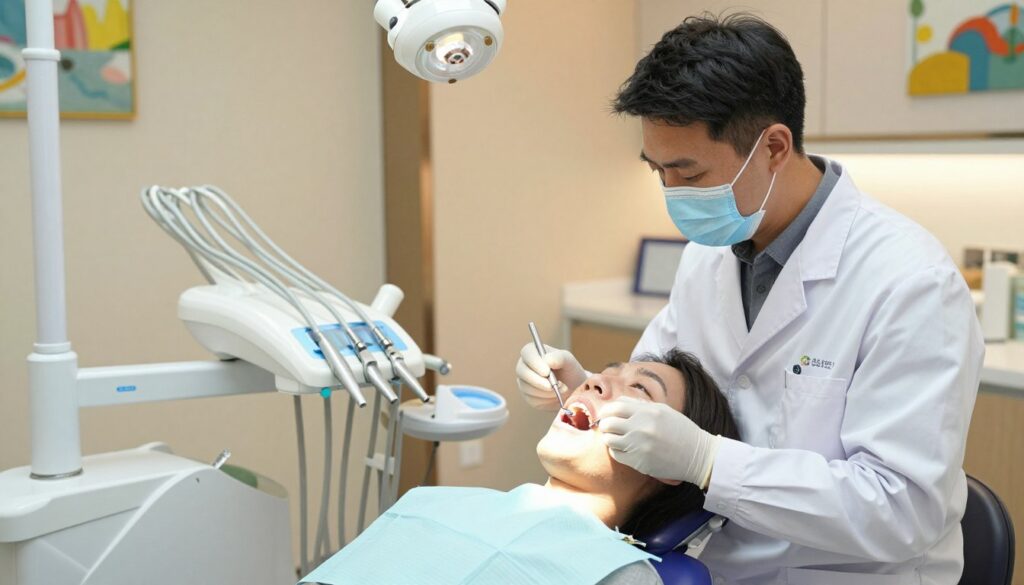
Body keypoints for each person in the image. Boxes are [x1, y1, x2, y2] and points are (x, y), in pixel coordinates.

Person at [516, 13, 984, 585]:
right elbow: (669, 402)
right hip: (705, 563)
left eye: (689, 174)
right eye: (658, 170)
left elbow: (902, 509)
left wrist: (709, 463)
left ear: (774, 147)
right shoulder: (708, 254)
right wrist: (587, 388)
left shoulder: (911, 282)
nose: (671, 193)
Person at [302, 351, 739, 585]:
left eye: (640, 389)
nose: (592, 381)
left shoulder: (621, 577)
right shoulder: (429, 503)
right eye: (607, 373)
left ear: (670, 456)